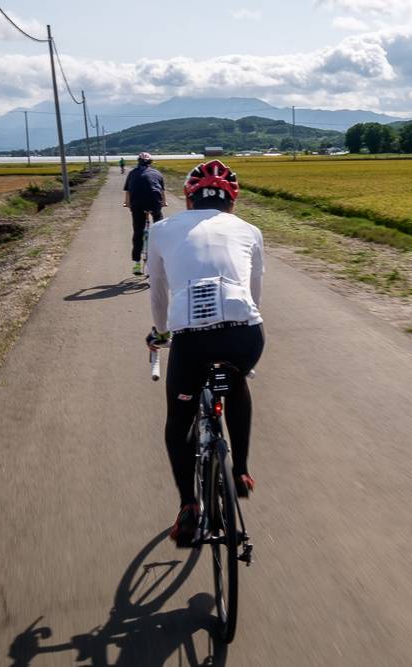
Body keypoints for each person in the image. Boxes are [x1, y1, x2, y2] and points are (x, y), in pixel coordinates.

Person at [145, 160, 265, 547]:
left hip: (192, 341)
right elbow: (254, 292)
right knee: (236, 381)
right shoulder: (250, 230)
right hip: (246, 334)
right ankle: (241, 471)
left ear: (188, 200)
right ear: (232, 201)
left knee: (179, 420)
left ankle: (188, 506)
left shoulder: (160, 230)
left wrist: (161, 334)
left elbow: (158, 292)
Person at [123, 152, 166, 276]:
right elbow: (162, 192)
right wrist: (164, 202)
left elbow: (128, 192)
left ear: (138, 162)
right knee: (160, 231)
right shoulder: (157, 173)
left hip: (137, 205)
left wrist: (127, 204)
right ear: (150, 163)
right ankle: (161, 260)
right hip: (155, 204)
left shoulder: (132, 173)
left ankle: (137, 263)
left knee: (138, 232)